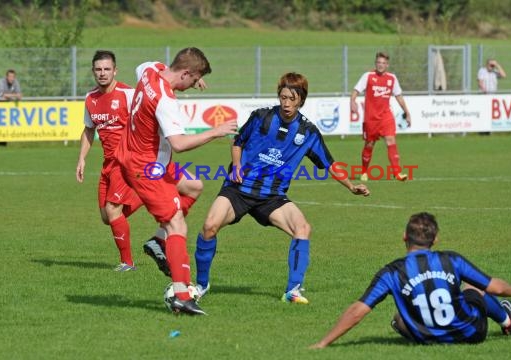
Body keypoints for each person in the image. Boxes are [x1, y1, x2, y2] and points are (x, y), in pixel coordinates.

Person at [191, 72, 370, 305]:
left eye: (292, 99)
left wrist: (350, 185)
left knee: (302, 228)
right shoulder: (261, 117)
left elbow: (329, 163)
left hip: (272, 197)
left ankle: (293, 290)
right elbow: (238, 142)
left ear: (301, 100)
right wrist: (236, 166)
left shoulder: (308, 132)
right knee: (209, 227)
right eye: (283, 97)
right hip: (239, 189)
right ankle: (201, 285)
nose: (286, 103)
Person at [116, 47, 238, 316]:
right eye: (193, 80)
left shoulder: (149, 71)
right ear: (185, 73)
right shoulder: (165, 100)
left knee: (193, 186)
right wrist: (215, 131)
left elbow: (157, 64)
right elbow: (180, 143)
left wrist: (195, 73)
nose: (194, 85)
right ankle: (181, 293)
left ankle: (158, 242)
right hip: (146, 168)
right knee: (177, 224)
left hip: (134, 155)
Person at [310, 212, 511, 348]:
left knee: (399, 318)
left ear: (404, 237)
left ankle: (503, 320)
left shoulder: (392, 272)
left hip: (427, 339)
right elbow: (495, 287)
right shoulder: (452, 260)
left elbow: (357, 312)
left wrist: (323, 343)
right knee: (474, 287)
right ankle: (506, 321)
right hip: (471, 334)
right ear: (436, 239)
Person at [76, 50, 144, 272]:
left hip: (127, 161)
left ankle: (128, 263)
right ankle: (145, 196)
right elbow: (88, 130)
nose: (102, 73)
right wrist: (82, 159)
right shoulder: (91, 99)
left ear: (115, 70)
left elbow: (154, 109)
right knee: (107, 217)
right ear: (93, 71)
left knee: (113, 211)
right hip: (108, 164)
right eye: (98, 69)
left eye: (107, 69)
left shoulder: (128, 94)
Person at [350, 51, 411, 182]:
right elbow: (355, 91)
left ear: (387, 65)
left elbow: (398, 96)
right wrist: (352, 101)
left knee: (391, 140)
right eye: (378, 62)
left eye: (383, 63)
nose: (380, 65)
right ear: (375, 63)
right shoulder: (368, 76)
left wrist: (407, 112)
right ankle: (364, 171)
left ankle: (397, 172)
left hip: (386, 117)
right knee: (369, 144)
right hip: (371, 118)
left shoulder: (392, 79)